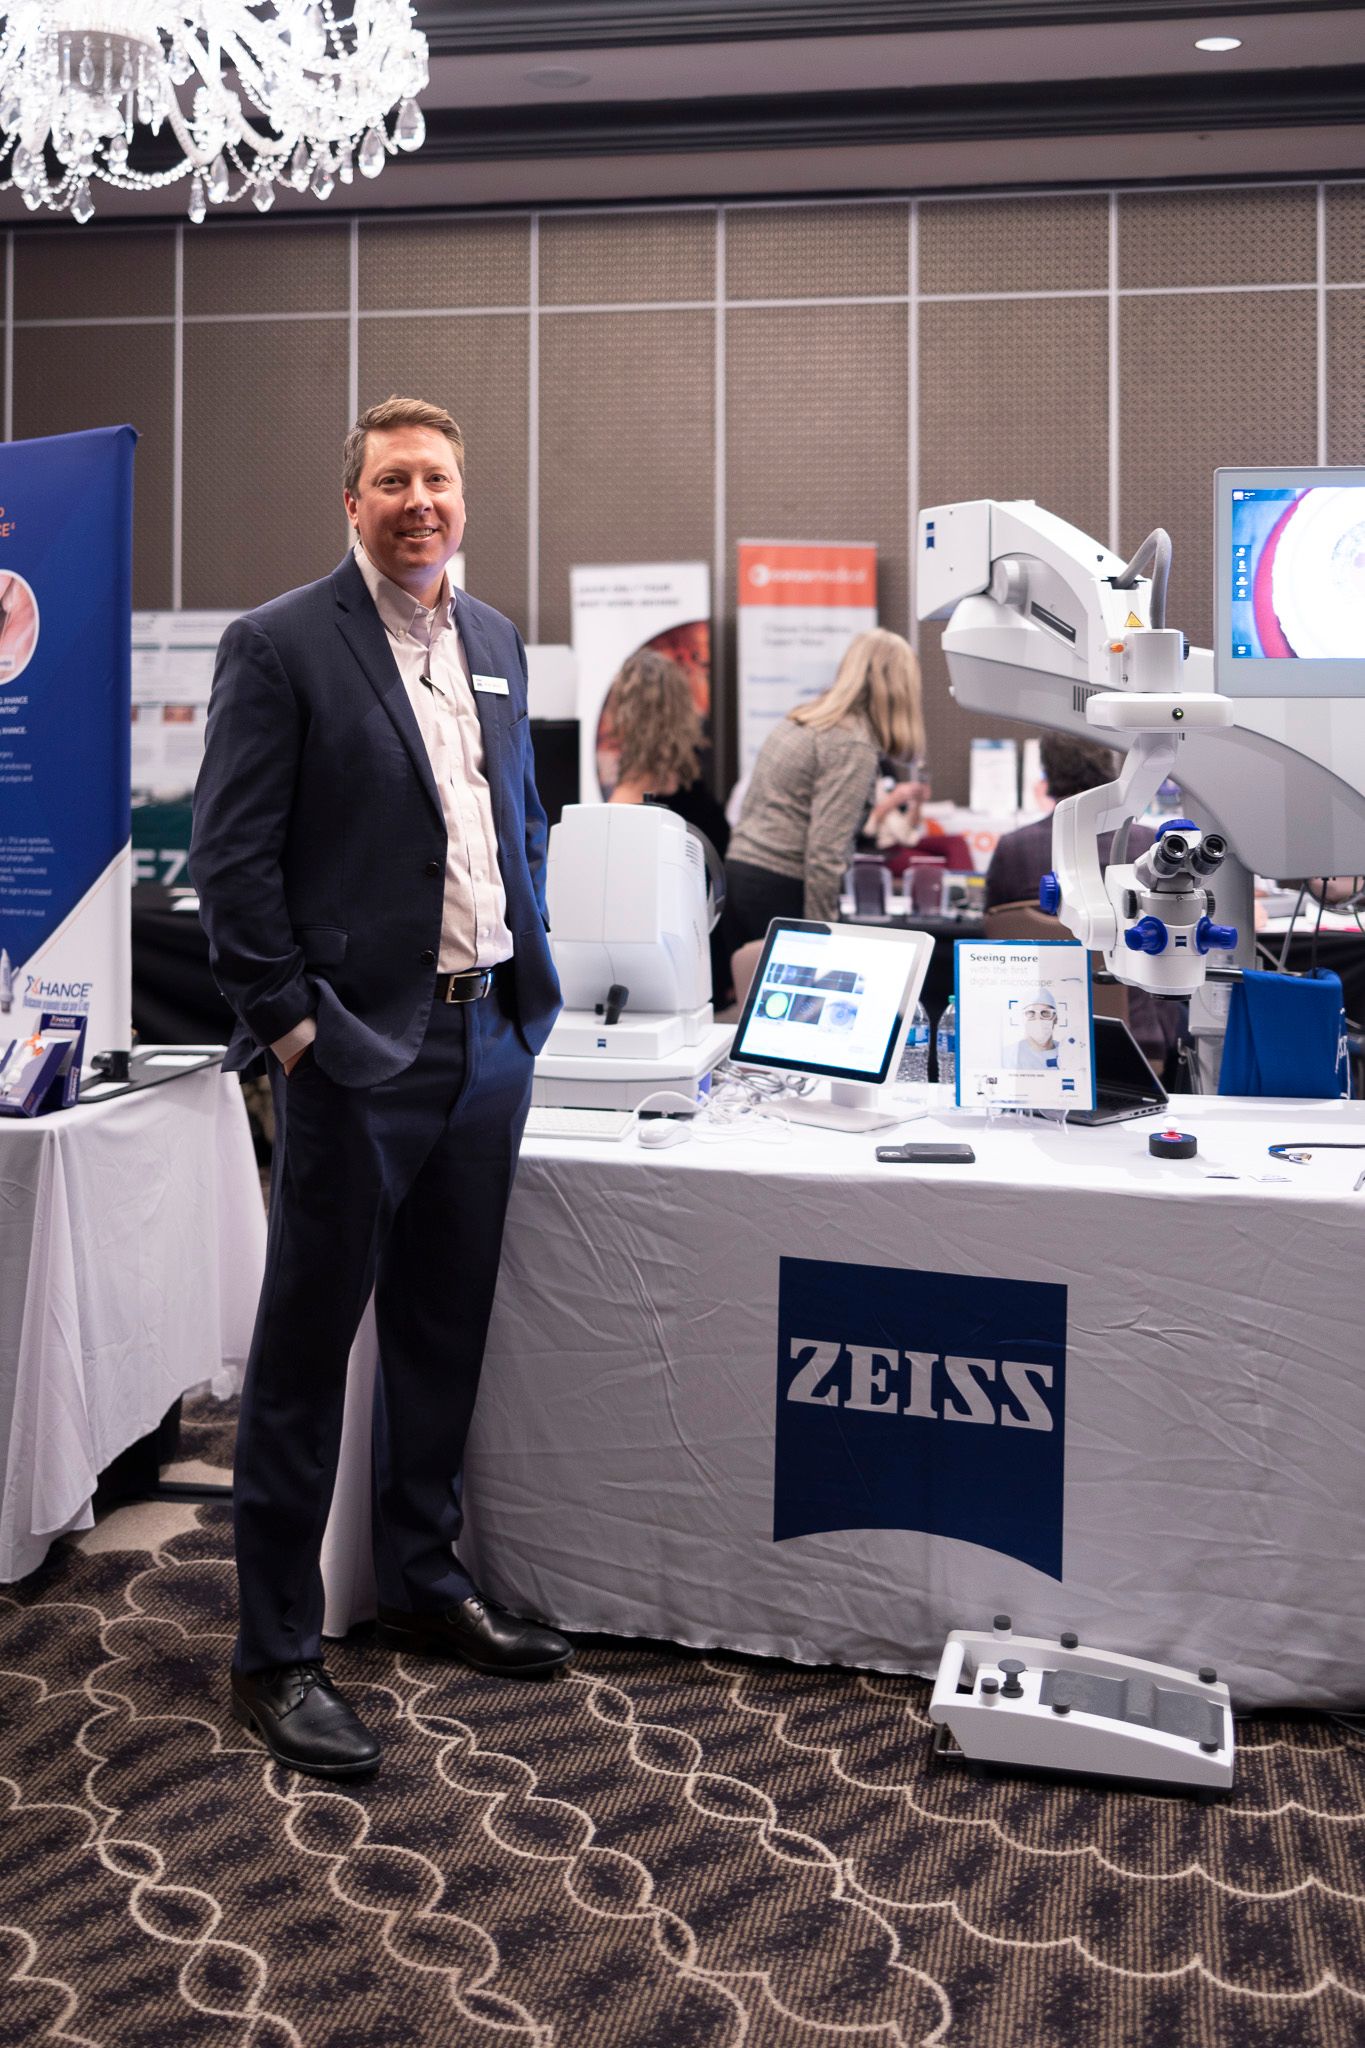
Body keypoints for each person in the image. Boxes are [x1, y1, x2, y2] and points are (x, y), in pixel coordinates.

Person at [190, 396, 570, 1781]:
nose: (422, 499)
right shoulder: (281, 644)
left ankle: (421, 1578)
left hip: (487, 1045)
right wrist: (292, 1035)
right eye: (394, 479)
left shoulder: (495, 642)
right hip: (355, 1059)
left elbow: (508, 821)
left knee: (442, 1334)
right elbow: (232, 868)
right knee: (302, 1359)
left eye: (441, 479)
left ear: (465, 499)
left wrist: (530, 988)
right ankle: (276, 1653)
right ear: (351, 504)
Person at [985, 731, 1182, 1074]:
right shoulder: (1153, 847)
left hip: (1032, 1029)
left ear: (1046, 770)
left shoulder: (1013, 850)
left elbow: (994, 936)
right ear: (1113, 763)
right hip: (1141, 1035)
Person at [724, 628, 925, 946]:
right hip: (781, 883)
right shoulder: (851, 743)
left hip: (741, 873)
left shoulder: (806, 719)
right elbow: (825, 852)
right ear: (900, 688)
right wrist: (822, 938)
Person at [1002, 986, 1070, 1071]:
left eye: (1045, 1013)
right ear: (1023, 1019)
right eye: (1031, 1013)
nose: (1038, 1019)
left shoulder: (1068, 1050)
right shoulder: (1009, 1055)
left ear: (1055, 1018)